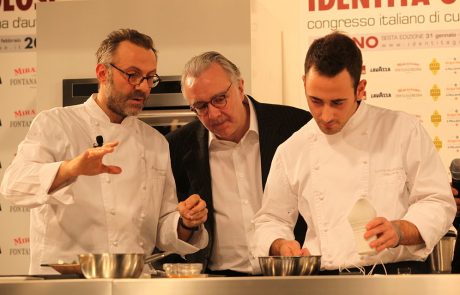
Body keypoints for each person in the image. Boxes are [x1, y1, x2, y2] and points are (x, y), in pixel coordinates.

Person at [0, 28, 208, 275]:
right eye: (132, 75)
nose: (143, 87)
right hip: (65, 284)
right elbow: (13, 186)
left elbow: (161, 228)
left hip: (133, 282)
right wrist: (70, 169)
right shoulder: (55, 124)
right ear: (102, 73)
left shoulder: (155, 142)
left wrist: (185, 222)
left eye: (150, 78)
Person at [253, 31, 456, 274]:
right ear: (304, 83)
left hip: (398, 276)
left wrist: (400, 230)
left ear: (360, 88)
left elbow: (437, 201)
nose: (326, 116)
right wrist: (280, 245)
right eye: (315, 101)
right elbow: (271, 220)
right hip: (323, 279)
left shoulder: (402, 130)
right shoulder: (292, 149)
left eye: (337, 102)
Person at [165, 51, 312, 276]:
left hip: (292, 274)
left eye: (219, 99)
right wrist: (185, 221)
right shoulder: (177, 147)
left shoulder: (295, 127)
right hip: (218, 281)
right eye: (201, 107)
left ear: (241, 87)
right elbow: (171, 233)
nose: (213, 114)